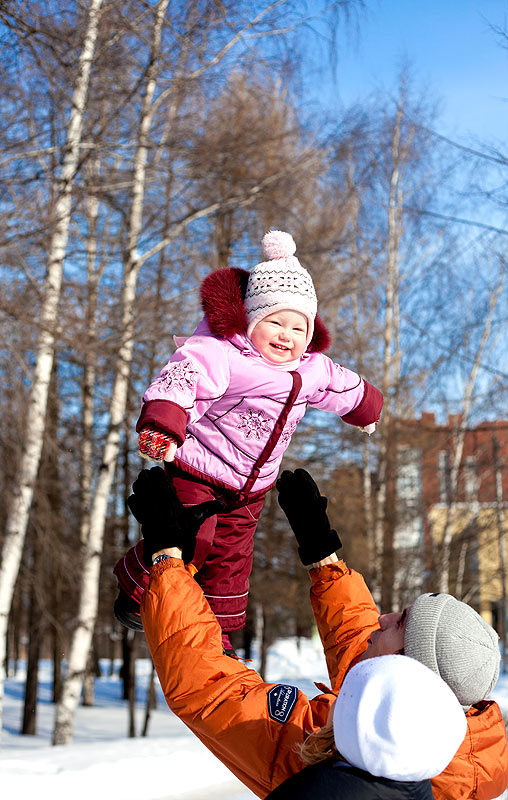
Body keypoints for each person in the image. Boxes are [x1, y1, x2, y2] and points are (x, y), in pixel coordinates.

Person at [129, 467, 467, 800]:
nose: (383, 618)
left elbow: (212, 693)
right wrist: (324, 558)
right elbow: (364, 658)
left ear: (412, 669)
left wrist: (166, 558)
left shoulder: (330, 754)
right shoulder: (438, 742)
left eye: (400, 623)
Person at [116, 230, 383, 648]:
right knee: (191, 538)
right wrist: (164, 424)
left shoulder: (312, 368)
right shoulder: (223, 352)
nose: (286, 335)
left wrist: (367, 409)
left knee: (232, 562)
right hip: (199, 468)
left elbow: (343, 386)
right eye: (275, 322)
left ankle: (215, 637)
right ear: (252, 321)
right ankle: (137, 592)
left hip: (251, 490)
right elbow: (184, 379)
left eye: (299, 327)